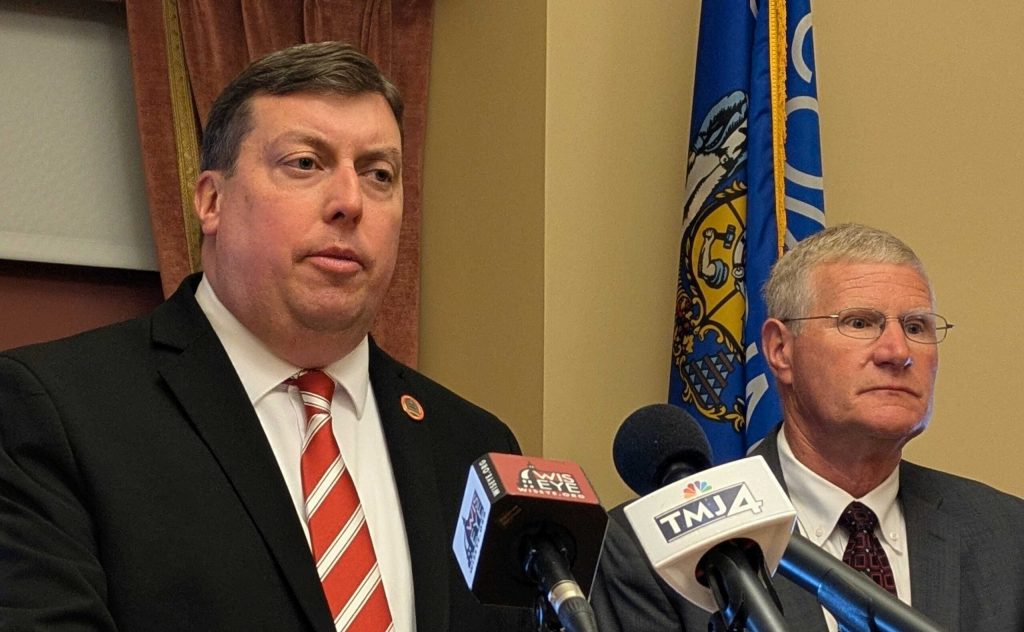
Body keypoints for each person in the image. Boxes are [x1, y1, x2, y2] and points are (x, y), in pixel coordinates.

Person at [0, 42, 531, 631]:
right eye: (305, 163)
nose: (350, 202)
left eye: (379, 174)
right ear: (212, 201)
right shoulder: (55, 412)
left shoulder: (474, 447)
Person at [592, 223, 1024, 631]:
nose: (897, 352)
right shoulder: (650, 546)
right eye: (859, 322)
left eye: (916, 327)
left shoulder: (1009, 535)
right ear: (780, 349)